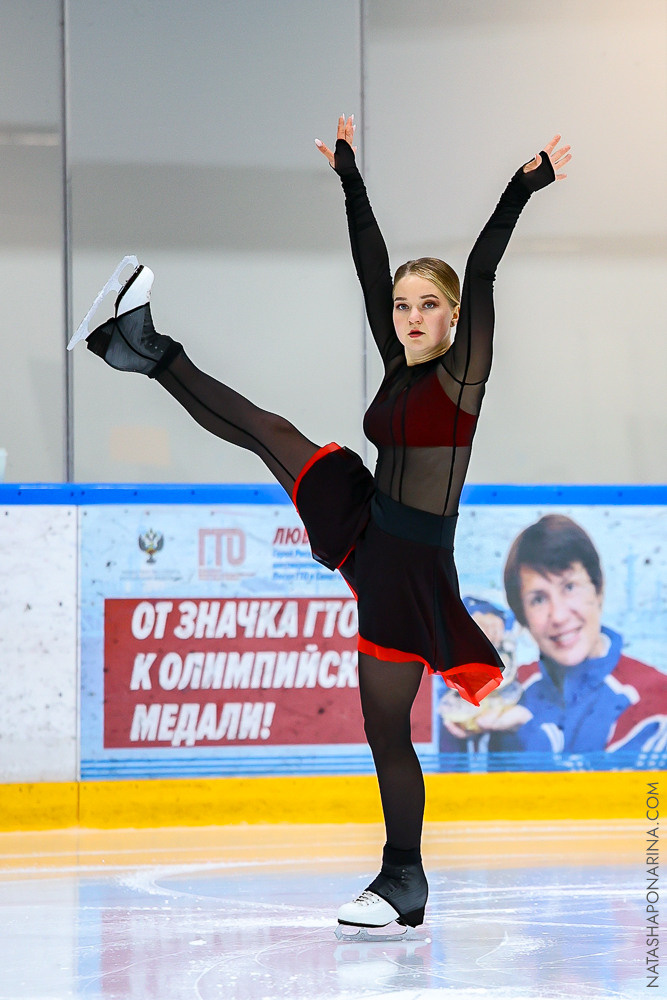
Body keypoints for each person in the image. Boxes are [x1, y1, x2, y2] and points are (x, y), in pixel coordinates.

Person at [74, 115, 570, 934]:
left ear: (452, 317)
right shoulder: (398, 361)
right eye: (403, 306)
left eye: (428, 305)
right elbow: (370, 266)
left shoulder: (462, 375)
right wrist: (349, 178)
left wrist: (522, 185)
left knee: (385, 730)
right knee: (269, 431)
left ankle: (403, 877)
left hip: (409, 564)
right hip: (367, 516)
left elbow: (483, 268)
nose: (410, 316)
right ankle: (144, 347)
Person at [493, 514, 667, 756]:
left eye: (570, 587)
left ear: (598, 590)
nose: (558, 616)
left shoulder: (653, 698)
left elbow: (614, 780)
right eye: (538, 599)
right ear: (523, 616)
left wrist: (528, 736)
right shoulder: (510, 692)